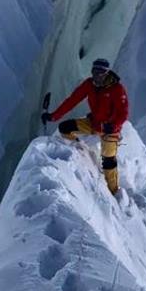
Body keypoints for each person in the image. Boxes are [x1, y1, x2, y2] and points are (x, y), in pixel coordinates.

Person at [42, 58, 129, 195]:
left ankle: (114, 191)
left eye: (100, 72)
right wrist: (54, 116)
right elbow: (72, 101)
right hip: (93, 124)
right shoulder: (89, 85)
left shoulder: (117, 89)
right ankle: (81, 151)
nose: (96, 75)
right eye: (94, 71)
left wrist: (112, 126)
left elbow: (123, 113)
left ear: (106, 73)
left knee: (108, 161)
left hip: (110, 130)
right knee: (65, 128)